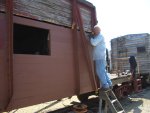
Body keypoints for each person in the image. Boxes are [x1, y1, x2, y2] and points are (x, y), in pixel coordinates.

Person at [90, 25, 112, 91]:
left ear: (98, 30)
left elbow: (93, 43)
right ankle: (109, 84)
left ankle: (105, 85)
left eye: (95, 30)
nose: (94, 31)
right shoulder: (98, 36)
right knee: (103, 71)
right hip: (100, 57)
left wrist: (91, 38)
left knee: (99, 71)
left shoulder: (100, 36)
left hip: (99, 57)